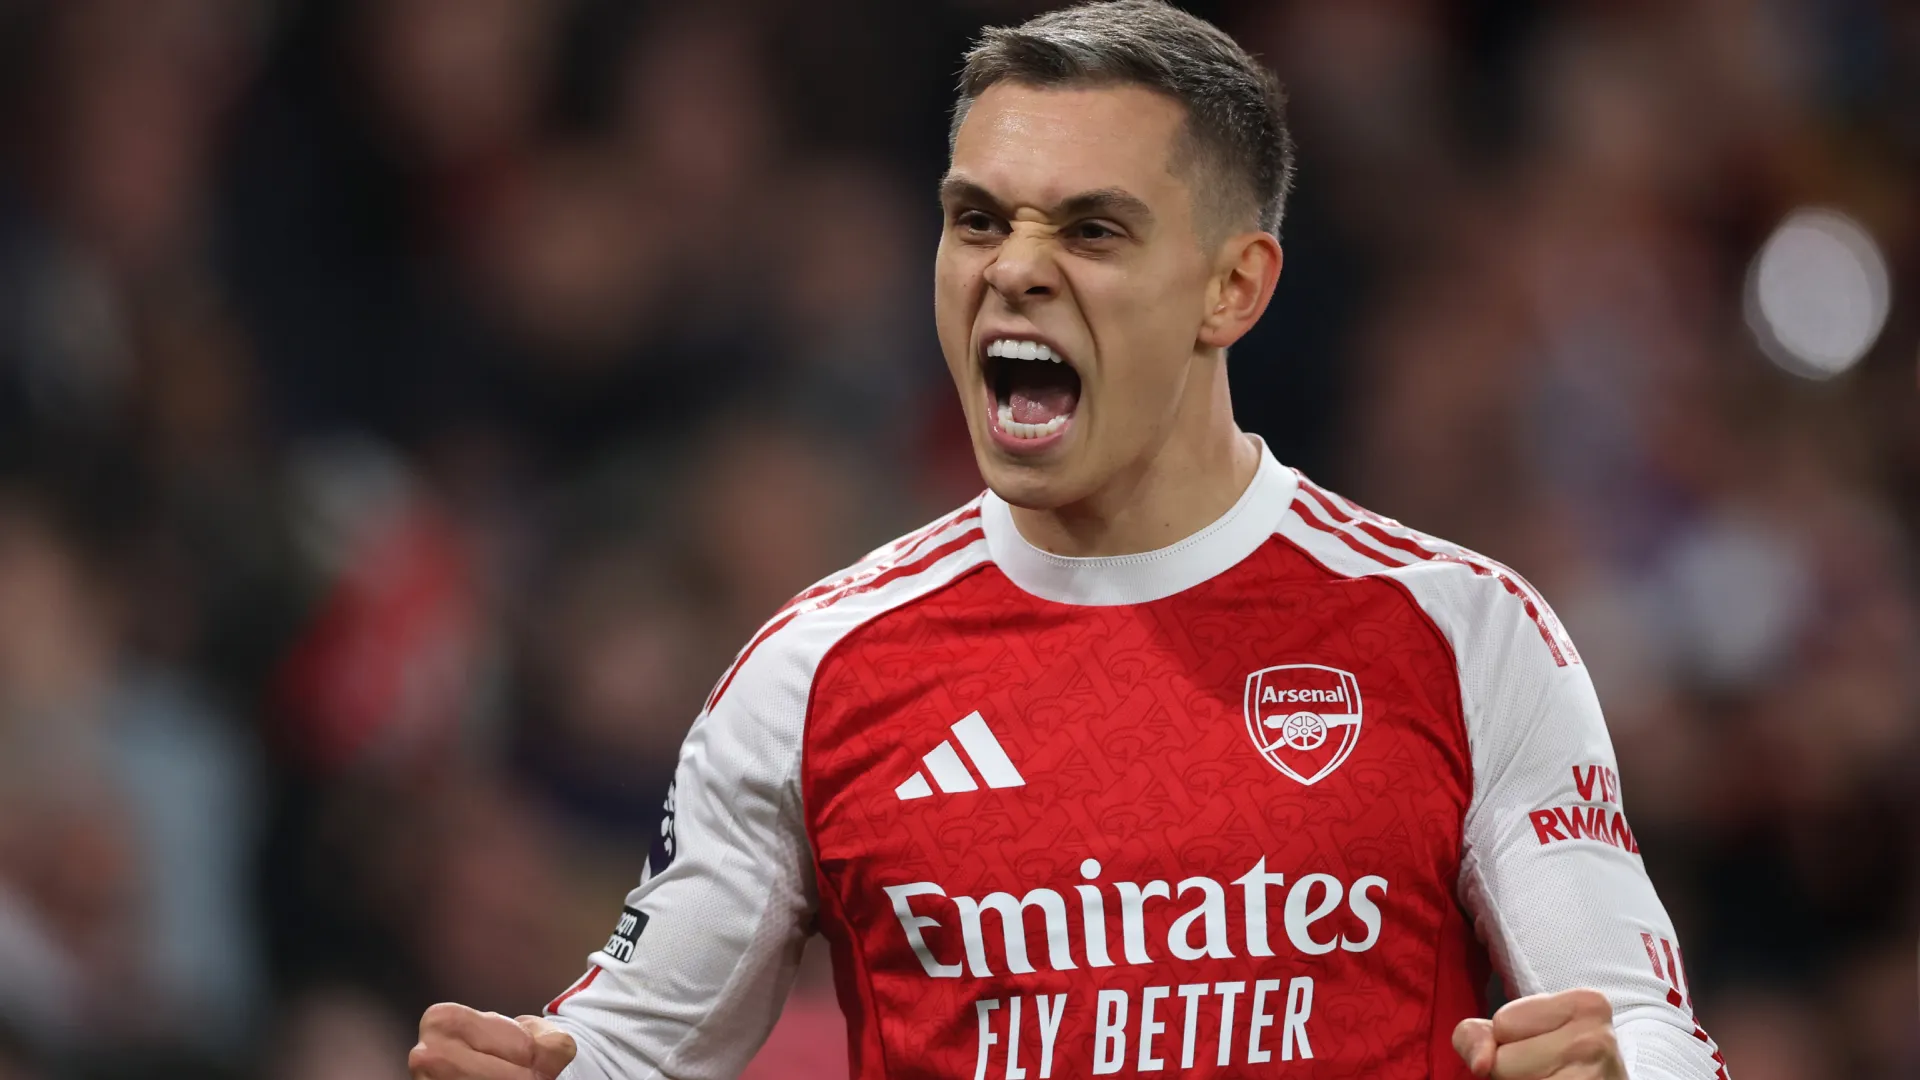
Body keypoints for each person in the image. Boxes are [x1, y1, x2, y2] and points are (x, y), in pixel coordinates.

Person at [409, 2, 1726, 1077]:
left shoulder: (1462, 634)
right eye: (978, 220)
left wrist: (1620, 1071)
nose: (1013, 269)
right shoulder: (816, 672)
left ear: (1234, 286)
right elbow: (630, 1043)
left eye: (1092, 229)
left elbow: (1649, 1030)